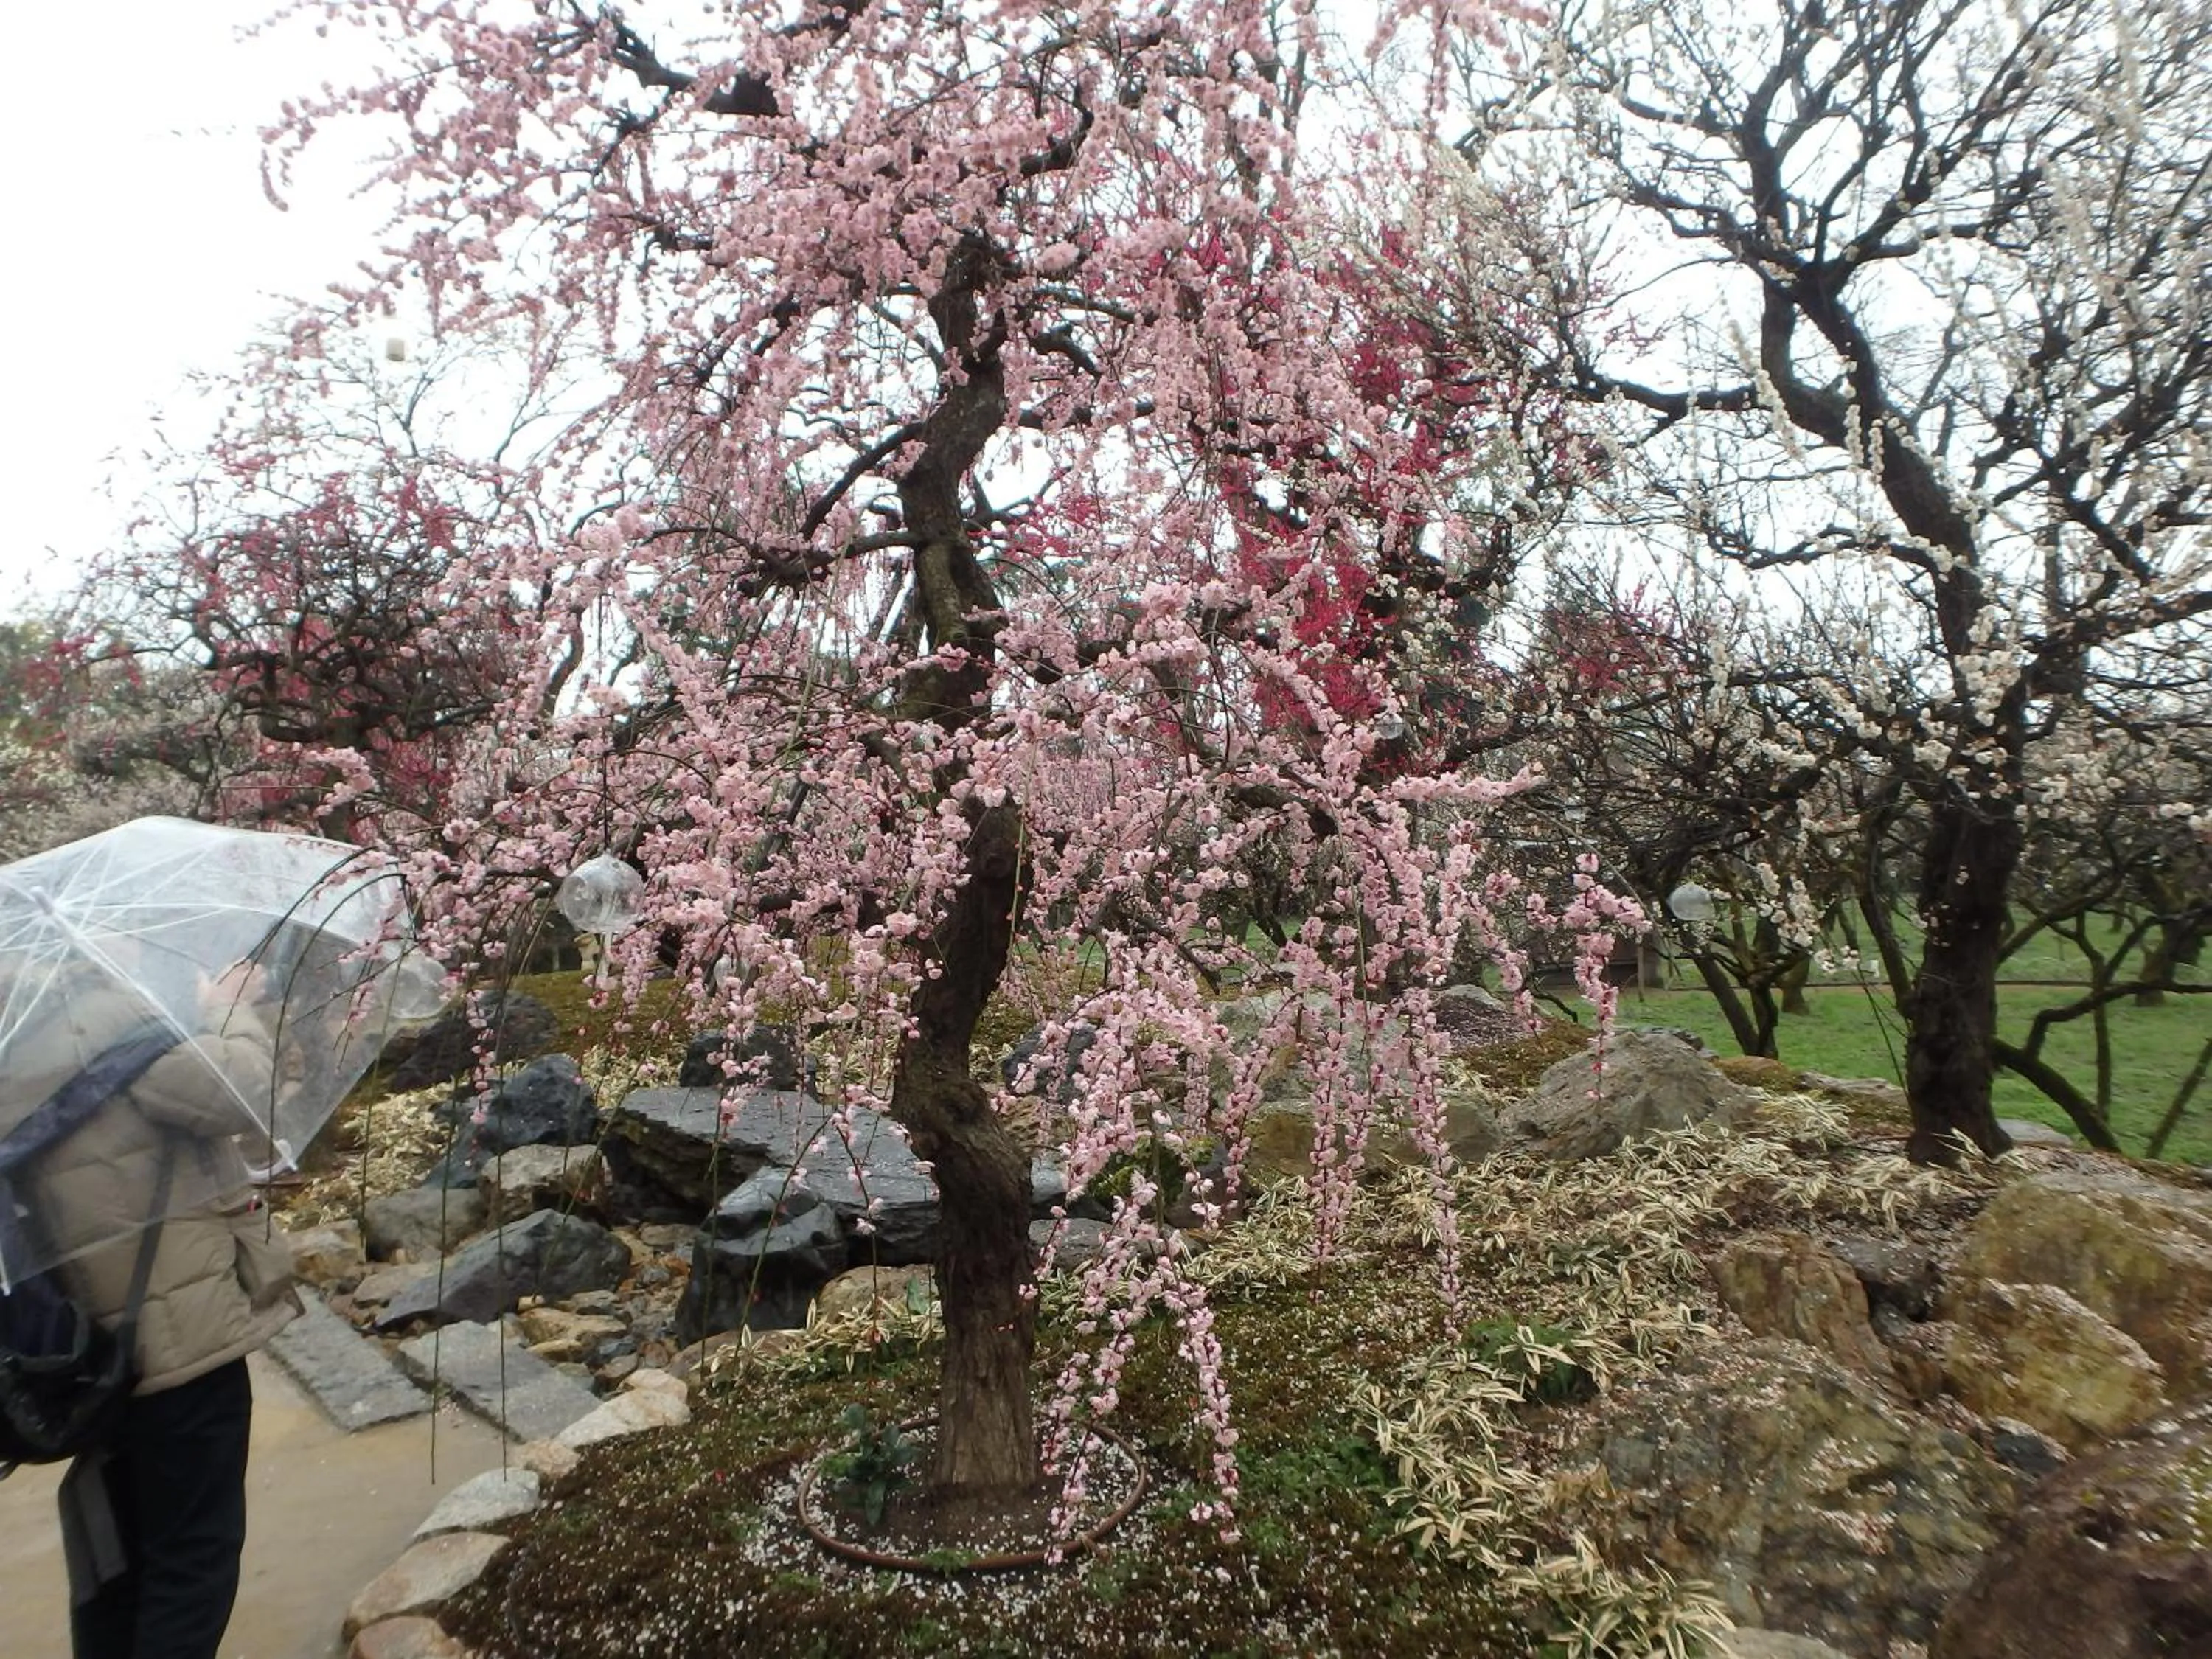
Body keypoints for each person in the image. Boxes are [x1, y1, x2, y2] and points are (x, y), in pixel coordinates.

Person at [3, 953, 302, 1659]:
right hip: (178, 1342)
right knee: (194, 1556)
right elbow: (243, 1093)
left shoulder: (14, 1043)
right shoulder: (107, 1023)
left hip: (81, 1355)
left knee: (120, 1562)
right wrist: (226, 1007)